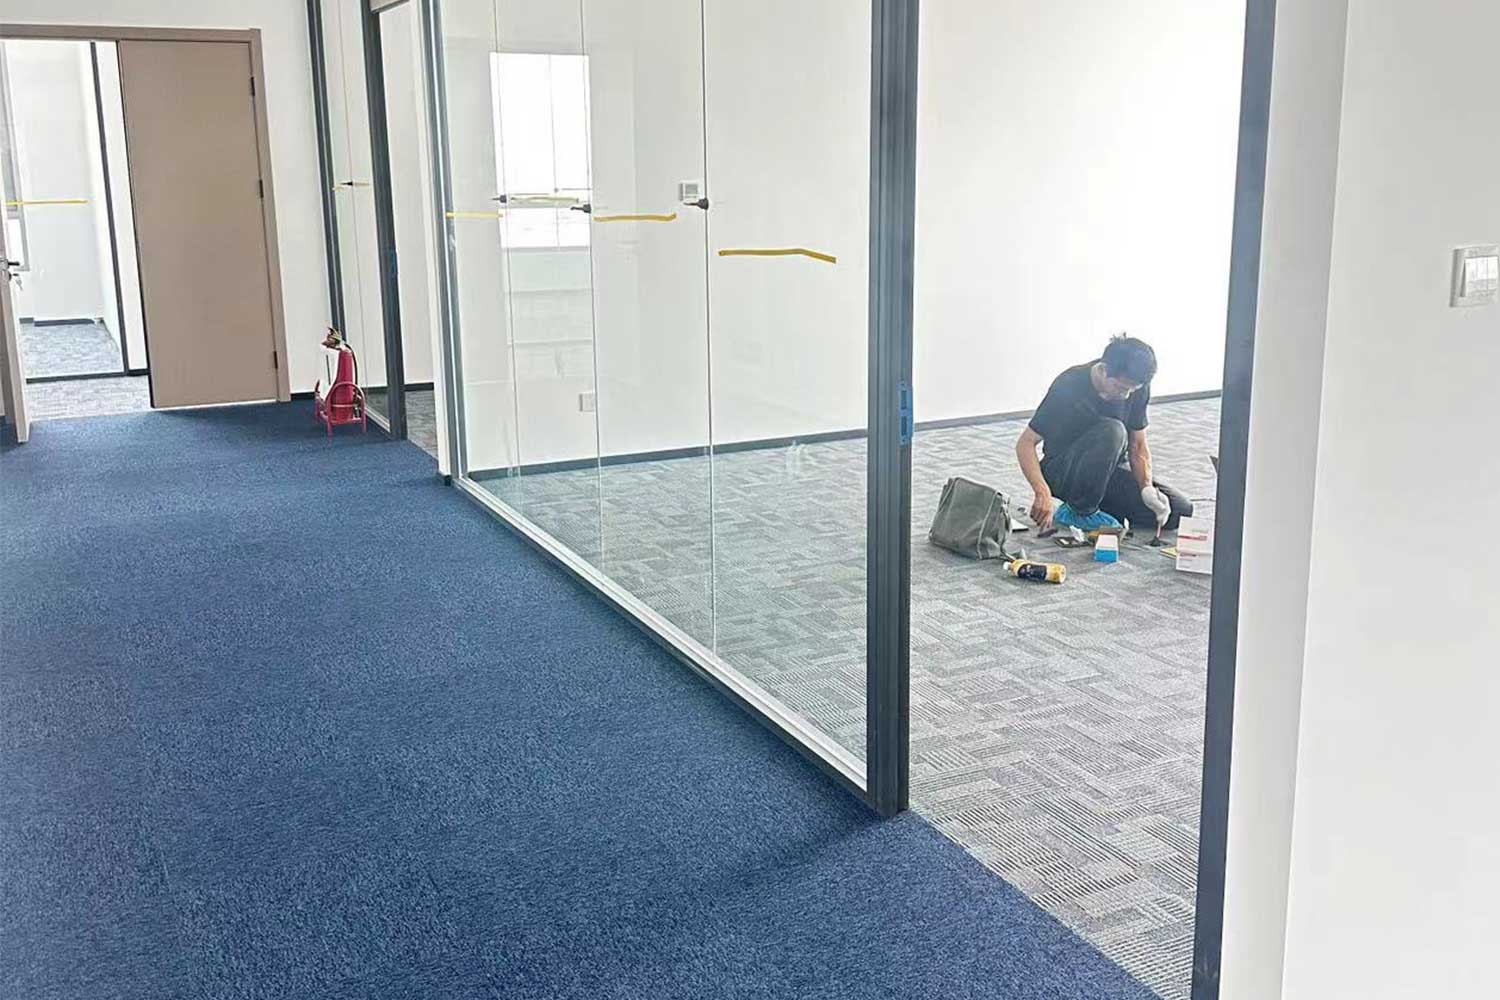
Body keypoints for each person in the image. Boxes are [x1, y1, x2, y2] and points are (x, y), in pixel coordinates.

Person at [1015, 335, 1193, 534]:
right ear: (1103, 369)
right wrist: (1042, 492)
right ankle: (1079, 511)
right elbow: (1025, 444)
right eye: (1120, 387)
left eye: (1132, 390)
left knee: (1179, 511)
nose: (1126, 395)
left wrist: (1146, 488)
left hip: (1108, 470)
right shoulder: (1069, 385)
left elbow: (1138, 444)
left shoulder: (1136, 386)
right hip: (1064, 471)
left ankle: (1100, 505)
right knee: (1114, 430)